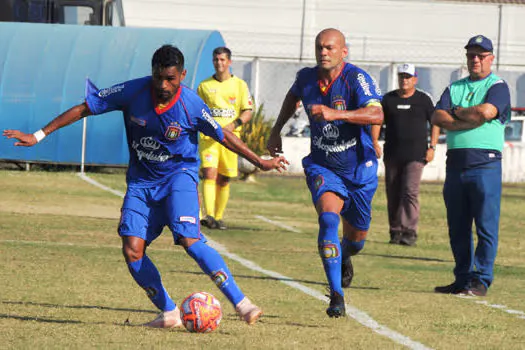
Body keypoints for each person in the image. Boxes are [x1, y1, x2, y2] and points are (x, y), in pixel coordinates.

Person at [3, 45, 288, 327]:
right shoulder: (132, 91)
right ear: (151, 73)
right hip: (141, 183)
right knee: (132, 250)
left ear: (182, 75)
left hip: (179, 177)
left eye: (171, 79)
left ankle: (241, 303)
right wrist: (38, 135)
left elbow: (224, 136)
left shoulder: (191, 105)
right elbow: (84, 108)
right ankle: (169, 312)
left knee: (189, 240)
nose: (163, 85)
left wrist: (260, 162)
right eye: (158, 78)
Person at [267, 28, 383, 318]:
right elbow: (293, 97)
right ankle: (336, 296)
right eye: (320, 47)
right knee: (328, 219)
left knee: (356, 241)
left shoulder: (357, 78)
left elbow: (377, 115)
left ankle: (344, 255)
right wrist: (276, 130)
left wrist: (336, 114)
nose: (324, 52)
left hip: (359, 169)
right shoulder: (306, 77)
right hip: (323, 165)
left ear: (344, 52)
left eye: (330, 47)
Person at [431, 35, 511, 296]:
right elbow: (437, 116)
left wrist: (456, 112)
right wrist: (467, 116)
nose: (474, 59)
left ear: (491, 58)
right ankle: (463, 278)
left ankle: (481, 279)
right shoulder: (455, 87)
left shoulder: (498, 85)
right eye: (471, 55)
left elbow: (486, 113)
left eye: (480, 55)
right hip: (456, 165)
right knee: (458, 227)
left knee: (486, 226)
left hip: (484, 165)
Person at [372, 63, 440, 246]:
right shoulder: (388, 99)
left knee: (410, 191)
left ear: (415, 79)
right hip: (393, 153)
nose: (404, 80)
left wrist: (432, 147)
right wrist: (374, 142)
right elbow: (377, 120)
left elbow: (435, 123)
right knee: (393, 192)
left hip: (416, 155)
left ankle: (409, 231)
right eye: (402, 76)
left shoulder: (424, 100)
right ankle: (395, 231)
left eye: (408, 77)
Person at [197, 47, 253, 230]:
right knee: (209, 173)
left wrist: (234, 125)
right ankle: (209, 216)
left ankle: (219, 217)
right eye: (216, 60)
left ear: (229, 62)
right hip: (209, 138)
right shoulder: (204, 86)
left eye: (222, 60)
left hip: (231, 139)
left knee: (224, 179)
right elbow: (197, 111)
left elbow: (248, 111)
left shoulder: (240, 85)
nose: (219, 63)